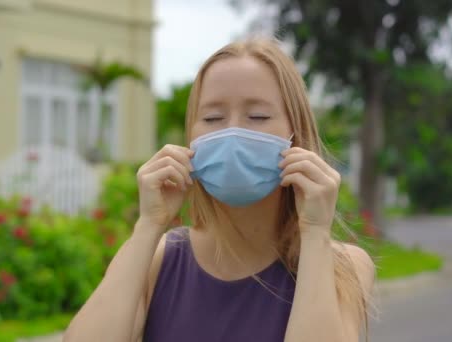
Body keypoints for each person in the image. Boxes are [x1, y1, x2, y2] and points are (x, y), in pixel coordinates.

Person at [64, 37, 375, 342]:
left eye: (257, 116)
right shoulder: (162, 260)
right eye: (212, 117)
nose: (232, 132)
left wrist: (316, 231)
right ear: (191, 137)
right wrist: (148, 225)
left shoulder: (342, 267)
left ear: (297, 135)